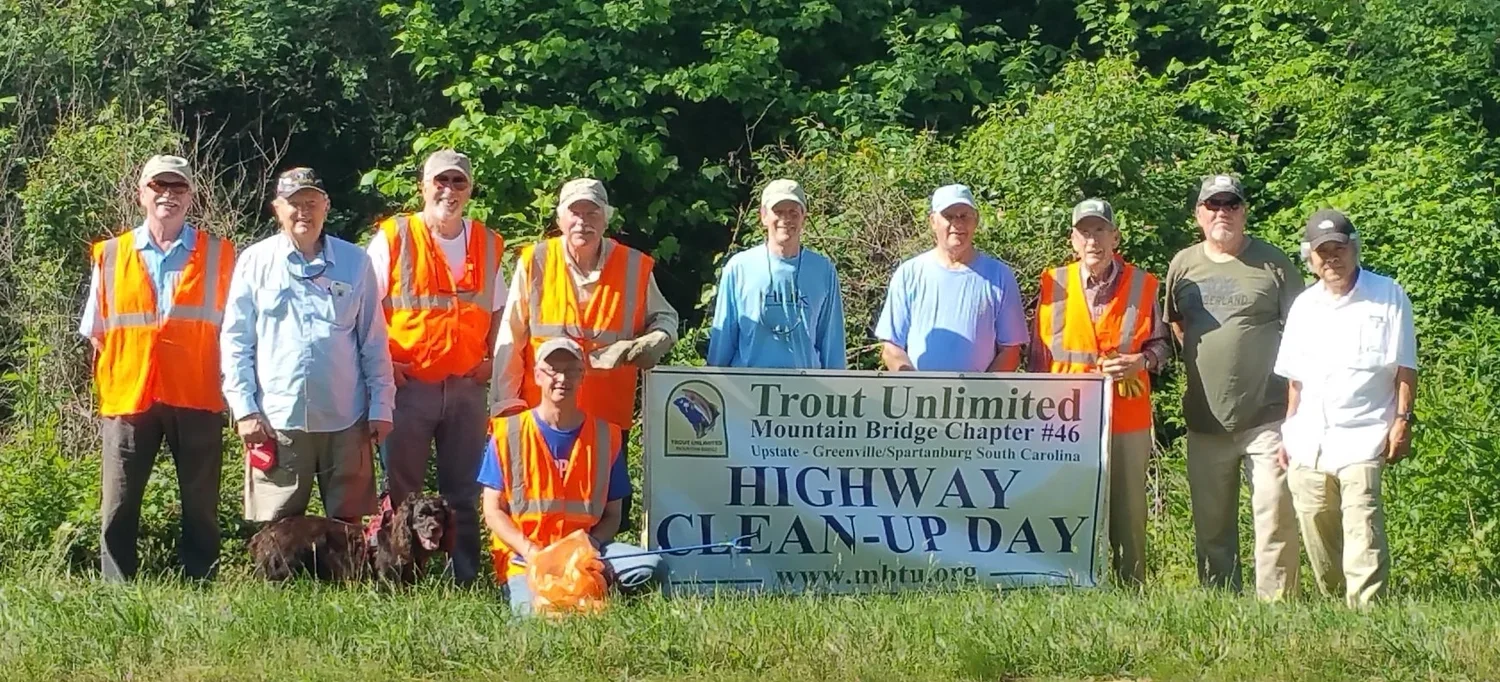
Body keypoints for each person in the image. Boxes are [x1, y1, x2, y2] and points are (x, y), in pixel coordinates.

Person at [80, 154, 236, 581]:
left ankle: (201, 582)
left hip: (198, 392)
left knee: (201, 504)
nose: (168, 194)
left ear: (192, 197)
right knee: (119, 503)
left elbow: (240, 329)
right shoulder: (110, 254)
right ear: (141, 194)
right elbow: (96, 330)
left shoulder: (221, 254)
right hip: (129, 396)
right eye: (158, 186)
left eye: (178, 187)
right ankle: (118, 589)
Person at [490, 177, 679, 527]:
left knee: (608, 510)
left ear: (606, 219)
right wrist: (504, 403)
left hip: (607, 420)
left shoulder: (633, 266)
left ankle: (600, 572)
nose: (583, 222)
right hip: (545, 417)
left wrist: (654, 340)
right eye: (574, 213)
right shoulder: (536, 262)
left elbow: (665, 317)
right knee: (539, 506)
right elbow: (511, 337)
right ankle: (535, 568)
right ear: (559, 219)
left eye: (592, 213)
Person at [221, 167, 396, 524]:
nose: (304, 211)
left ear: (326, 206)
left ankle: (347, 582)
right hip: (276, 417)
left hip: (347, 417)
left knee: (349, 525)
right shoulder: (255, 262)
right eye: (294, 203)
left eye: (311, 202)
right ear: (277, 209)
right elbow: (236, 341)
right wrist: (245, 409)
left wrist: (382, 405)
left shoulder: (355, 262)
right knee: (277, 525)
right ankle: (280, 583)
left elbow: (374, 341)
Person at [366, 150, 505, 586]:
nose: (449, 190)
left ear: (470, 189)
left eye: (458, 182)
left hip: (465, 387)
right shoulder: (394, 236)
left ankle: (463, 581)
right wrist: (386, 365)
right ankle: (399, 580)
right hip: (409, 387)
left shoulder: (486, 242)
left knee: (463, 493)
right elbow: (363, 309)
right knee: (403, 493)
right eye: (440, 181)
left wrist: (492, 362)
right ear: (423, 186)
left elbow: (502, 311)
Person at [1166, 174, 1303, 600]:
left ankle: (1276, 606)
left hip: (1268, 415)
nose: (1222, 212)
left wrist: (1299, 412)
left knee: (1273, 515)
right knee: (1211, 524)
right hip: (1205, 420)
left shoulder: (1274, 263)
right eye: (1213, 205)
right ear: (1198, 214)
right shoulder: (1183, 264)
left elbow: (1304, 332)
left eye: (1231, 204)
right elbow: (1173, 321)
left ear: (1244, 211)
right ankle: (1219, 601)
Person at [1273, 209, 1417, 608]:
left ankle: (1367, 611)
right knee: (1316, 522)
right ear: (1310, 258)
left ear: (1354, 249)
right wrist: (1289, 431)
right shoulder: (1304, 305)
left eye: (1338, 249)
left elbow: (1406, 366)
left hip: (1366, 432)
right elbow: (1295, 380)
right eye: (1322, 252)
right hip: (1309, 438)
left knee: (1363, 525)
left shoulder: (1389, 295)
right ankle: (1336, 601)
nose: (1331, 258)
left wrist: (1402, 420)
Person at [1029, 198, 1171, 587]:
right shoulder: (1052, 284)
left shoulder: (1144, 285)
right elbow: (1037, 357)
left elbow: (1162, 346)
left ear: (1115, 237)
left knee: (1128, 513)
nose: (1093, 240)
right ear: (1073, 240)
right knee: (1066, 507)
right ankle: (1068, 584)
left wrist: (1139, 363)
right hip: (1066, 420)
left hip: (1126, 418)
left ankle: (1131, 591)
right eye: (1085, 232)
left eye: (1100, 231)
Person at [480, 337, 661, 615]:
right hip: (527, 558)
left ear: (582, 377)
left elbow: (614, 515)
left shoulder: (606, 436)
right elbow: (492, 512)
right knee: (537, 617)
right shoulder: (508, 434)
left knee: (650, 565)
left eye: (571, 370)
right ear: (537, 375)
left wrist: (593, 542)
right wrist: (529, 551)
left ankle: (589, 586)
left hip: (583, 555)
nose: (562, 378)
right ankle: (568, 593)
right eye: (553, 370)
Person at [875, 183, 1027, 372]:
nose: (958, 224)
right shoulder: (909, 274)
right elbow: (891, 347)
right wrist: (916, 390)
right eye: (948, 216)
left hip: (978, 400)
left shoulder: (1000, 276)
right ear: (933, 221)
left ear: (976, 220)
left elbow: (1011, 351)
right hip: (920, 398)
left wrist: (983, 396)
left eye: (964, 216)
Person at [707, 178, 846, 369]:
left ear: (803, 216)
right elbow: (722, 340)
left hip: (807, 391)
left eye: (793, 212)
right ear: (763, 216)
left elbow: (832, 343)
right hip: (747, 388)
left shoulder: (823, 270)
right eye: (778, 211)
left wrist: (838, 388)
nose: (785, 219)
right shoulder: (739, 267)